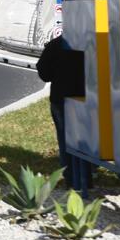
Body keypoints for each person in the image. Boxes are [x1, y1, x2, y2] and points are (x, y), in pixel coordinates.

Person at [35, 34, 84, 186]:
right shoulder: (89, 42)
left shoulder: (55, 45)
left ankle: (71, 179)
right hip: (86, 99)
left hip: (60, 99)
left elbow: (44, 73)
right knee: (86, 140)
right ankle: (87, 176)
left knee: (65, 141)